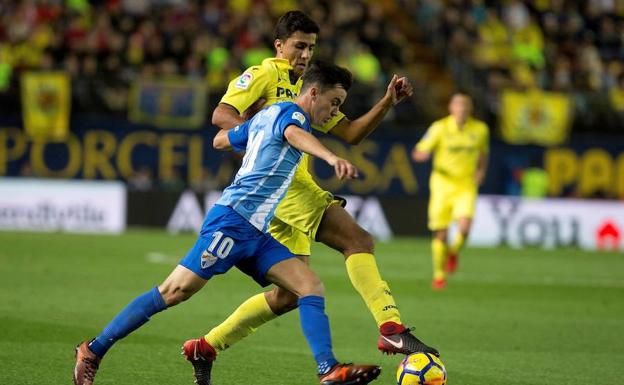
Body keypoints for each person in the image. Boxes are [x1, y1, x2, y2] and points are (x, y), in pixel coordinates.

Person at [74, 62, 382, 385]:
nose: (334, 112)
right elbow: (294, 134)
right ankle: (92, 350)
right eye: (333, 103)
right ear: (314, 92)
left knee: (308, 287)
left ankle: (327, 369)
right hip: (232, 223)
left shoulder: (267, 115)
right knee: (174, 291)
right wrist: (331, 158)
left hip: (256, 232)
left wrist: (252, 131)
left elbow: (220, 140)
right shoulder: (295, 116)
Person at [185, 11, 439, 385]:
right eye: (299, 46)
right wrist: (261, 130)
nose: (305, 54)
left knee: (288, 296)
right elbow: (221, 115)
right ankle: (390, 326)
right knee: (357, 240)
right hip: (281, 188)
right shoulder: (264, 75)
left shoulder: (308, 88)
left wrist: (386, 103)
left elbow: (350, 133)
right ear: (279, 45)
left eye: (311, 47)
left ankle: (204, 346)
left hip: (283, 194)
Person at [412, 93, 489, 290]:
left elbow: (483, 154)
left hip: (466, 184)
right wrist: (422, 154)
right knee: (441, 232)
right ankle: (439, 275)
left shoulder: (480, 129)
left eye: (465, 105)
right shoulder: (440, 127)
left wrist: (480, 172)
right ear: (451, 108)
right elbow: (420, 149)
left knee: (464, 227)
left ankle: (453, 252)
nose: (462, 109)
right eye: (458, 105)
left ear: (470, 109)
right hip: (442, 183)